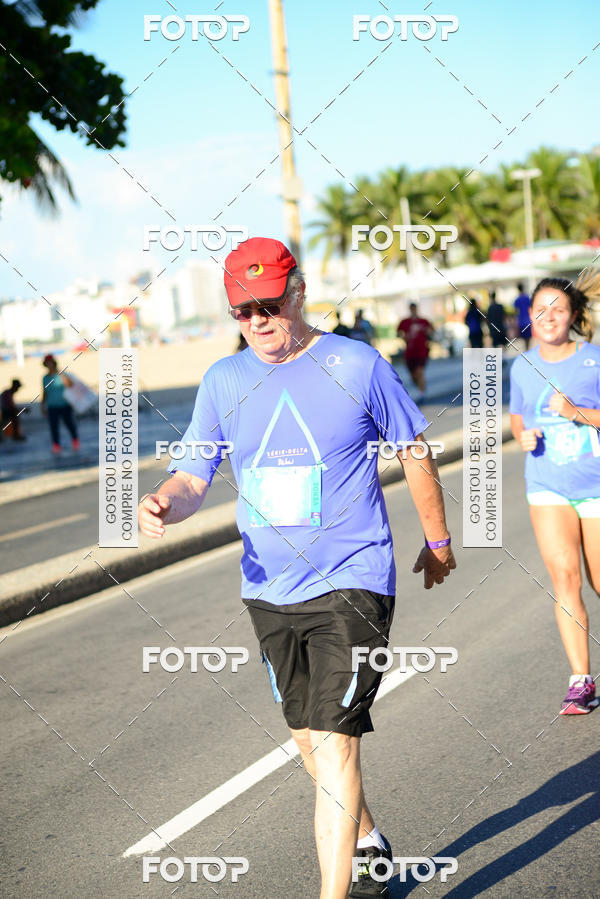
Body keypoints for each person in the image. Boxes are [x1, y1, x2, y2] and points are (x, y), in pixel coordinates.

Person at [138, 237, 456, 899]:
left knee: (338, 744)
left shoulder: (356, 363)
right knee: (309, 738)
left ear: (298, 292)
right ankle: (367, 837)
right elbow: (194, 474)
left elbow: (414, 450)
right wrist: (165, 502)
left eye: (269, 304)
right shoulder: (224, 380)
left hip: (353, 578)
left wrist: (439, 539)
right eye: (242, 309)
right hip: (269, 588)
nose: (257, 319)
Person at [509, 271, 600, 715]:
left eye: (558, 309)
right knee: (565, 580)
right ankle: (581, 681)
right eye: (541, 309)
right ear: (530, 317)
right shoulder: (520, 365)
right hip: (546, 486)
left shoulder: (594, 359)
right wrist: (522, 437)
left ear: (573, 316)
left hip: (595, 486)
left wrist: (576, 412)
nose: (549, 317)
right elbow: (518, 417)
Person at [41, 354, 80, 454]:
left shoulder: (61, 374)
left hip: (65, 405)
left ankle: (75, 440)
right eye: (47, 363)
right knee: (54, 427)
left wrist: (60, 373)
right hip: (52, 406)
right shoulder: (45, 378)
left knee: (70, 424)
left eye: (51, 363)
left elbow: (70, 385)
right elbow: (45, 392)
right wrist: (43, 405)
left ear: (54, 363)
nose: (50, 365)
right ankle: (56, 445)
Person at [397, 302, 434, 401]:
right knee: (413, 376)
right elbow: (398, 333)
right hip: (410, 352)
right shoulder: (405, 321)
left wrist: (429, 333)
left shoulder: (424, 321)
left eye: (414, 308)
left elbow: (432, 333)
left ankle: (422, 394)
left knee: (419, 371)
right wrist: (403, 336)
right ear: (410, 309)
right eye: (411, 308)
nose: (413, 310)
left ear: (417, 309)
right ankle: (420, 386)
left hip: (422, 351)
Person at [514, 282, 532, 349]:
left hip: (521, 321)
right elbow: (531, 308)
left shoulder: (517, 300)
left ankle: (526, 349)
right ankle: (528, 348)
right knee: (528, 338)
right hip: (527, 320)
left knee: (524, 338)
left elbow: (515, 312)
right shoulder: (527, 298)